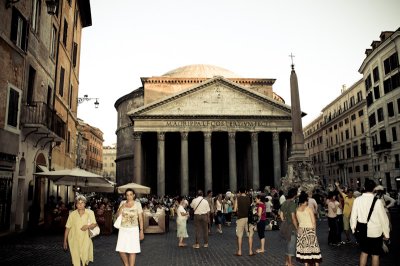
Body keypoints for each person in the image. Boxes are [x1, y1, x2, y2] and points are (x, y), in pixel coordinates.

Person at [350, 179, 390, 266]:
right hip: (375, 232)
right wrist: (386, 234)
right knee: (375, 255)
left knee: (364, 253)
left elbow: (353, 216)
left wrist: (353, 229)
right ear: (374, 189)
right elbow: (384, 219)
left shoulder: (357, 200)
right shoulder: (378, 201)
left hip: (362, 232)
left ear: (364, 187)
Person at [63, 195, 98, 266]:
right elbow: (67, 228)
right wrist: (65, 241)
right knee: (75, 259)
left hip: (86, 238)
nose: (80, 205)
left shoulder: (90, 212)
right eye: (78, 203)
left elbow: (94, 224)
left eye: (82, 203)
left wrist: (87, 226)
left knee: (85, 257)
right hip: (74, 239)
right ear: (76, 205)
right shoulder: (72, 214)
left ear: (85, 203)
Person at [115, 189, 144, 266]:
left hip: (133, 229)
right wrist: (121, 207)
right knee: (121, 250)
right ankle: (126, 264)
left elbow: (140, 218)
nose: (129, 197)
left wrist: (141, 231)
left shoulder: (138, 204)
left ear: (134, 195)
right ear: (125, 196)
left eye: (131, 194)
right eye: (127, 195)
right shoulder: (122, 203)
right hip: (123, 229)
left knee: (132, 250)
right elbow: (117, 216)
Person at [295, 192, 322, 266]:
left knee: (305, 251)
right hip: (310, 231)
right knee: (314, 250)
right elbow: (313, 222)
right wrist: (314, 232)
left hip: (301, 231)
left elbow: (298, 221)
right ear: (306, 201)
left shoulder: (297, 210)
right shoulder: (309, 209)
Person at [233, 187, 255, 256]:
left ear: (239, 192)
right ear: (245, 191)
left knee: (239, 235)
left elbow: (235, 209)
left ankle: (239, 251)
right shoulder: (249, 198)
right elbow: (252, 207)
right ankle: (250, 251)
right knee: (250, 235)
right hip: (249, 219)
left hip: (240, 218)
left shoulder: (238, 198)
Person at [279, 188, 298, 266]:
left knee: (287, 244)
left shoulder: (284, 203)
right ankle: (290, 263)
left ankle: (287, 262)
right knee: (291, 245)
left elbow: (280, 214)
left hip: (285, 225)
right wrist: (297, 227)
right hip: (291, 226)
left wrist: (284, 220)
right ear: (294, 195)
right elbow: (293, 217)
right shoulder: (293, 203)